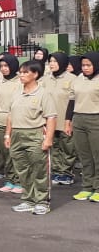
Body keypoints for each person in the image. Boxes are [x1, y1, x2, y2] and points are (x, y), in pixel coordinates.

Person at [6, 60, 57, 215]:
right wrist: (8, 134)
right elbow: (10, 116)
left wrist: (48, 139)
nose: (21, 75)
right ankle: (28, 199)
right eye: (20, 72)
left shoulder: (43, 94)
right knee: (22, 170)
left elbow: (51, 117)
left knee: (39, 170)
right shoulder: (16, 93)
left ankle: (42, 201)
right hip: (17, 135)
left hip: (35, 134)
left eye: (25, 72)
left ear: (35, 74)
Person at [66, 52, 99, 202]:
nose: (85, 68)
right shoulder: (78, 78)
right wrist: (68, 120)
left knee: (97, 156)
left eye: (89, 65)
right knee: (84, 156)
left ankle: (97, 188)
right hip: (78, 118)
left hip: (95, 119)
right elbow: (72, 101)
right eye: (83, 65)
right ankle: (87, 187)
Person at [45, 53, 77, 185]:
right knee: (55, 146)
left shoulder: (72, 79)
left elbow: (74, 100)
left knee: (68, 147)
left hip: (66, 120)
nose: (52, 64)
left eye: (55, 61)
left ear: (62, 63)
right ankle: (57, 171)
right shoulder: (46, 79)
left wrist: (69, 120)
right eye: (50, 61)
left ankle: (67, 173)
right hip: (51, 120)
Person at [0, 56, 23, 193]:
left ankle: (20, 181)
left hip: (16, 121)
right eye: (1, 66)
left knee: (15, 153)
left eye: (6, 65)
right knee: (5, 154)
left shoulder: (20, 82)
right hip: (0, 121)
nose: (4, 69)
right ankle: (10, 180)